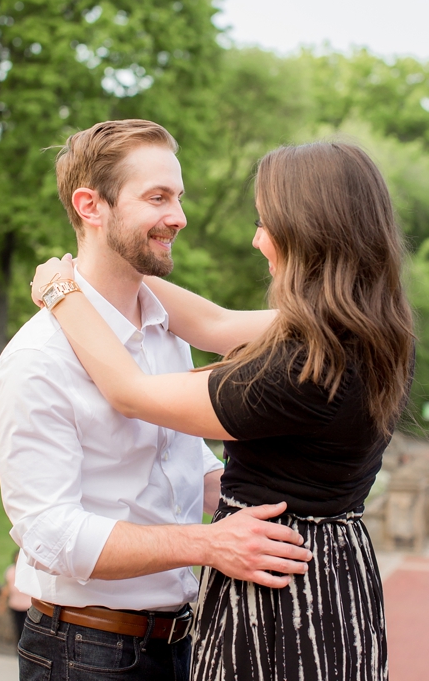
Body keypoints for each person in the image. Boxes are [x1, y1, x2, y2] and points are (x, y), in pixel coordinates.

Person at [31, 140, 411, 680]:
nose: (257, 240)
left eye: (265, 223)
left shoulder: (297, 369)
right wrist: (124, 258)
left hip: (278, 599)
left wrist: (62, 290)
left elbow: (130, 393)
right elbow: (217, 325)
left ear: (306, 234)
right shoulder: (372, 329)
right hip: (335, 573)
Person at [0, 120, 310, 680]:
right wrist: (210, 545)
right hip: (85, 651)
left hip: (182, 641)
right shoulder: (38, 358)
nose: (180, 217)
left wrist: (271, 504)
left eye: (178, 197)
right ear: (90, 205)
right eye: (157, 197)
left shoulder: (167, 328)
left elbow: (180, 464)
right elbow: (51, 535)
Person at [0, 551, 31, 641]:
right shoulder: (10, 571)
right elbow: (6, 588)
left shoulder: (29, 571)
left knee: (25, 628)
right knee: (18, 628)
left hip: (27, 606)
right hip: (15, 605)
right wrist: (2, 602)